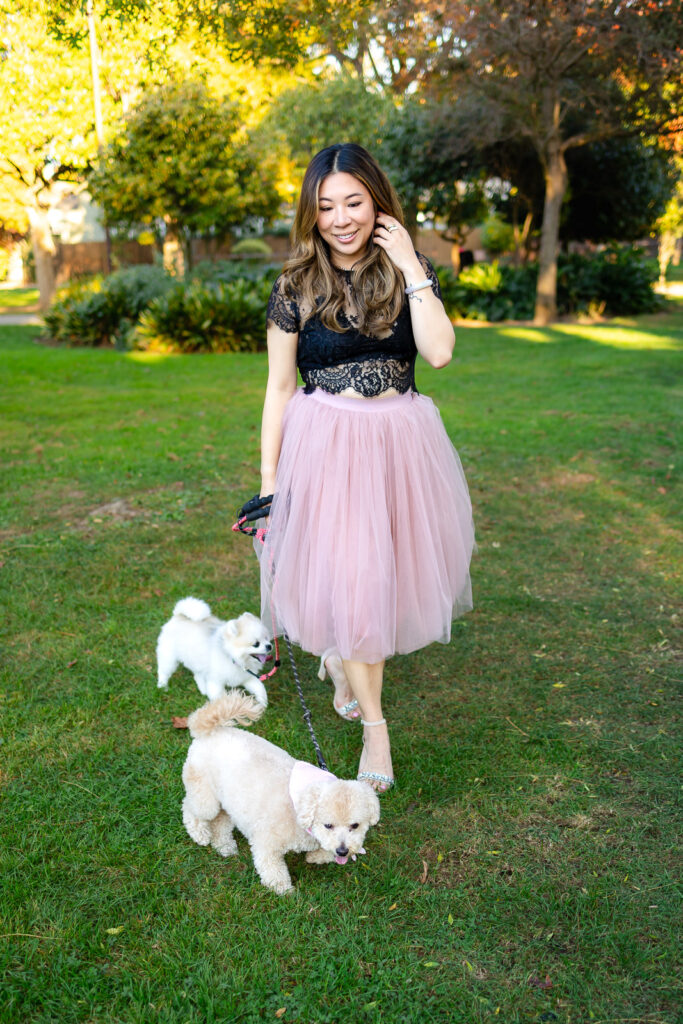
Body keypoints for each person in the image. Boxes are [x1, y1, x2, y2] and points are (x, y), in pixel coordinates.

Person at [257, 143, 475, 792]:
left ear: (377, 202)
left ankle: (339, 658)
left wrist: (409, 261)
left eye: (353, 202)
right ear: (311, 213)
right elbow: (277, 389)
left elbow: (438, 353)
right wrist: (270, 486)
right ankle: (374, 729)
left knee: (385, 568)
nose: (341, 218)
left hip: (398, 442)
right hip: (325, 443)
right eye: (325, 207)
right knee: (353, 573)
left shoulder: (406, 270)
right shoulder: (294, 285)